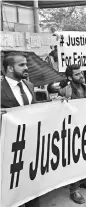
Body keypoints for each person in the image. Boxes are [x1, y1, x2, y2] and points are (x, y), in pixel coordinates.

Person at [1, 52, 39, 207]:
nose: (26, 67)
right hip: (8, 146)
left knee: (31, 177)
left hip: (30, 141)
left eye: (26, 64)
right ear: (10, 68)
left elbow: (35, 108)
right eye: (21, 65)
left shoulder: (29, 85)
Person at [58, 64, 86, 204]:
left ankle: (83, 180)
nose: (81, 76)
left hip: (85, 126)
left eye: (81, 73)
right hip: (71, 130)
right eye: (77, 74)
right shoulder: (65, 91)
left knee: (85, 155)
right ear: (69, 77)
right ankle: (74, 190)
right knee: (73, 158)